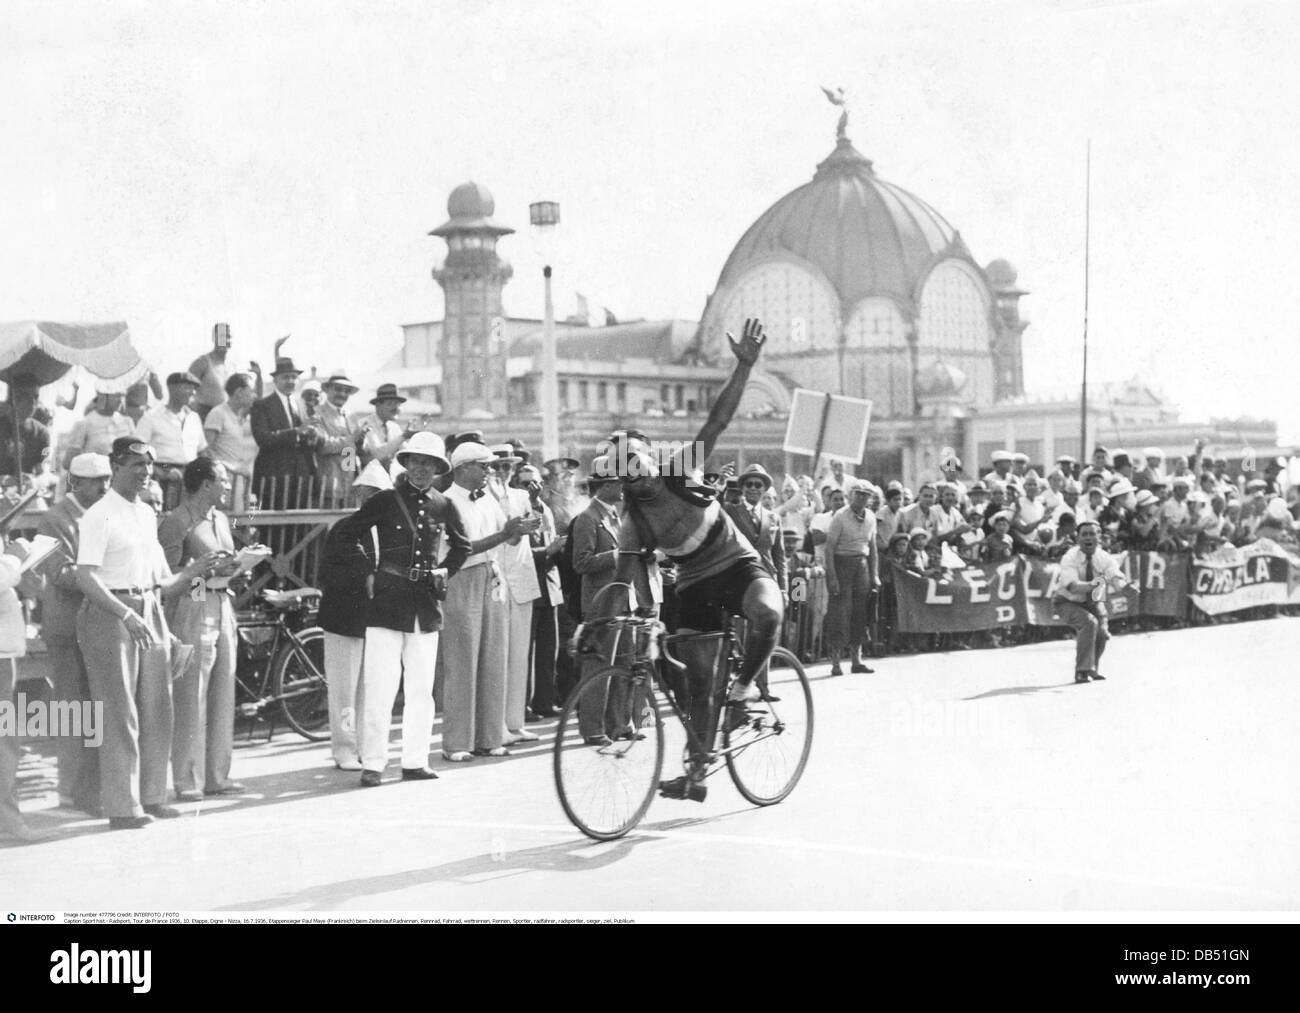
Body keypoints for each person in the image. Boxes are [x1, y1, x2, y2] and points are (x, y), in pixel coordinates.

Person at [609, 318, 777, 803]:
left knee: (768, 613)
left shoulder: (681, 466)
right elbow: (623, 579)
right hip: (696, 583)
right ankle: (697, 772)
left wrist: (744, 366)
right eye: (625, 469)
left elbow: (718, 420)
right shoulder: (634, 518)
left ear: (649, 459)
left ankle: (745, 691)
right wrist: (608, 620)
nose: (635, 473)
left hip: (737, 563)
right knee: (699, 684)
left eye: (638, 461)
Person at [75, 437, 222, 829]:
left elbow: (164, 581)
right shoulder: (98, 515)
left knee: (159, 706)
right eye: (136, 464)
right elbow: (85, 576)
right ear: (116, 466)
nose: (144, 472)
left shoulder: (144, 514)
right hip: (111, 615)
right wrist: (125, 612)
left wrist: (194, 572)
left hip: (149, 608)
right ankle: (123, 807)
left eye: (149, 465)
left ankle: (152, 796)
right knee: (119, 711)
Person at [335, 432, 471, 785]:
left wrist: (445, 571)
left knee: (421, 690)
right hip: (387, 602)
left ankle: (414, 761)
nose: (422, 469)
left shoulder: (444, 505)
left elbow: (462, 546)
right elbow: (346, 534)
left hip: (424, 605)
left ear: (439, 468)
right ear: (406, 464)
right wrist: (366, 571)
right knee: (380, 686)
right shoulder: (386, 501)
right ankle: (374, 764)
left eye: (429, 463)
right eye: (416, 461)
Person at [435, 442, 537, 762]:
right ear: (463, 467)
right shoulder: (446, 502)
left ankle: (490, 737)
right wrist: (506, 533)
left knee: (494, 656)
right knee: (462, 661)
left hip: (492, 577)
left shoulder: (488, 499)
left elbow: (506, 537)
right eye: (484, 466)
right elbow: (462, 550)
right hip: (461, 580)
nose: (489, 472)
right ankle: (457, 742)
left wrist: (518, 530)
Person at [158, 458, 248, 801]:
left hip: (223, 602)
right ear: (206, 484)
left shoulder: (220, 519)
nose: (227, 486)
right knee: (191, 695)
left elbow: (223, 559)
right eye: (223, 480)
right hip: (194, 604)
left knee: (223, 691)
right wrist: (200, 576)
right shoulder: (177, 522)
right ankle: (186, 779)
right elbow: (168, 575)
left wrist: (238, 565)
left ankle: (217, 776)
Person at [32, 453, 112, 817]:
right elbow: (57, 572)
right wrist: (106, 579)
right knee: (73, 709)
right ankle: (72, 791)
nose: (104, 486)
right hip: (67, 627)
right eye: (96, 481)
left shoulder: (106, 512)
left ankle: (90, 789)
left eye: (107, 478)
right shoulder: (53, 519)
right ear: (75, 482)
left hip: (98, 623)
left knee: (94, 708)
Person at [317, 460, 391, 770]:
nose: (373, 500)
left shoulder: (386, 533)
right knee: (344, 691)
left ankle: (363, 746)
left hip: (371, 622)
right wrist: (368, 577)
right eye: (369, 494)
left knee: (368, 690)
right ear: (358, 494)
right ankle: (344, 750)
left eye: (380, 495)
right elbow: (333, 574)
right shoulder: (344, 529)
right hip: (344, 619)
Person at [572, 457, 635, 744]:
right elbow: (581, 563)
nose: (623, 487)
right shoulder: (588, 518)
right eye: (619, 482)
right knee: (598, 668)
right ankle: (592, 729)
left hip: (620, 600)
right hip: (600, 604)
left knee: (623, 663)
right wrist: (618, 555)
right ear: (606, 485)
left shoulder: (612, 516)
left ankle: (618, 724)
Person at [486, 444, 543, 745]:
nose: (502, 472)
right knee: (498, 656)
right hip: (495, 581)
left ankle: (515, 722)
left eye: (507, 467)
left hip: (521, 579)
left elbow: (534, 530)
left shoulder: (522, 496)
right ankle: (497, 726)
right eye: (497, 466)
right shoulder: (482, 497)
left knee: (520, 655)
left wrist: (531, 521)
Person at [514, 463, 565, 719]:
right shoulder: (515, 508)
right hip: (528, 584)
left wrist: (556, 549)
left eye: (536, 484)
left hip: (549, 585)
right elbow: (517, 551)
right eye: (526, 484)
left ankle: (544, 701)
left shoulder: (545, 509)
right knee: (524, 651)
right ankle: (522, 706)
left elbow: (550, 540)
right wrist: (548, 551)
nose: (532, 489)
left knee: (548, 650)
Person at [1052, 520, 1129, 683]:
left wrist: (1125, 586)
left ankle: (1092, 668)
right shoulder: (1070, 557)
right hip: (1066, 601)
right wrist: (1094, 583)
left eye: (1092, 534)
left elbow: (1115, 575)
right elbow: (1072, 586)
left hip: (1094, 602)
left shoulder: (1104, 557)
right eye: (1084, 534)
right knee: (1089, 623)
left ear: (1099, 536)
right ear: (1077, 538)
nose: (1088, 538)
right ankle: (1081, 671)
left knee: (1102, 633)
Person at [250, 357, 321, 510]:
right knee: (272, 525)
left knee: (297, 524)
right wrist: (297, 431)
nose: (290, 381)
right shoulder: (262, 405)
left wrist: (311, 436)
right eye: (285, 377)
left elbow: (306, 441)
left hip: (299, 476)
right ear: (275, 380)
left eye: (294, 377)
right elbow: (263, 439)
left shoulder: (300, 404)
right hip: (273, 474)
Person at [823, 483, 879, 677]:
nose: (862, 498)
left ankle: (857, 660)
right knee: (839, 613)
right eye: (858, 494)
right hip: (842, 564)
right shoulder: (840, 517)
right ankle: (836, 663)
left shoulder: (871, 517)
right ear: (850, 495)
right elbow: (829, 548)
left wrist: (874, 574)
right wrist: (832, 577)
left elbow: (872, 547)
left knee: (860, 613)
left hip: (861, 565)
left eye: (866, 495)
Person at [134, 371, 208, 509]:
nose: (192, 392)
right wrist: (160, 472)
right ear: (172, 388)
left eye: (193, 388)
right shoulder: (151, 417)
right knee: (161, 520)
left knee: (187, 520)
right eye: (187, 387)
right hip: (160, 475)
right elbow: (137, 451)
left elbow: (202, 451)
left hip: (190, 478)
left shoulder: (194, 418)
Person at [724, 464, 788, 598]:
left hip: (767, 580)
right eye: (749, 484)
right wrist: (720, 482)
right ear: (742, 488)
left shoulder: (774, 518)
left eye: (758, 485)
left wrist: (783, 589)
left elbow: (779, 556)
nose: (753, 488)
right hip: (738, 579)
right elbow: (715, 508)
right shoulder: (730, 511)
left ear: (764, 489)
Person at [202, 372, 259, 512]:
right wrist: (230, 468)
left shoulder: (238, 416)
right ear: (239, 392)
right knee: (223, 519)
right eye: (251, 391)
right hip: (221, 480)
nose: (254, 396)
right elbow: (205, 451)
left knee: (236, 523)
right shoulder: (218, 413)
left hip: (237, 481)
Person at [189, 324, 260, 421]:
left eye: (228, 337)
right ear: (214, 338)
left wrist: (258, 376)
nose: (226, 340)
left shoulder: (233, 365)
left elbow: (246, 396)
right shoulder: (202, 362)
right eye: (222, 337)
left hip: (228, 419)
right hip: (205, 418)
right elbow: (186, 391)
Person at [313, 373, 362, 506]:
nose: (342, 394)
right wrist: (351, 439)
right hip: (329, 480)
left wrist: (361, 439)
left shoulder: (351, 415)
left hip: (350, 482)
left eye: (346, 391)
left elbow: (352, 449)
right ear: (327, 390)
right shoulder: (317, 413)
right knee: (328, 524)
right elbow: (323, 446)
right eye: (338, 389)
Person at [59, 388, 135, 468]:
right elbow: (68, 463)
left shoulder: (127, 422)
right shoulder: (84, 423)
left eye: (123, 396)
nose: (121, 401)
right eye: (117, 396)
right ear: (103, 396)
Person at [0, 374, 52, 478]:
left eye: (36, 397)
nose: (33, 402)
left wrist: (33, 479)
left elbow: (41, 470)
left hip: (25, 490)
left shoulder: (41, 433)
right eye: (26, 396)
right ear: (13, 397)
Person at [358, 384, 412, 471]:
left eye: (398, 404)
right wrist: (404, 436)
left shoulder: (394, 427)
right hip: (369, 480)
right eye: (390, 404)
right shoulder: (365, 424)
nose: (396, 409)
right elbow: (376, 454)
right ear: (378, 405)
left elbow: (405, 452)